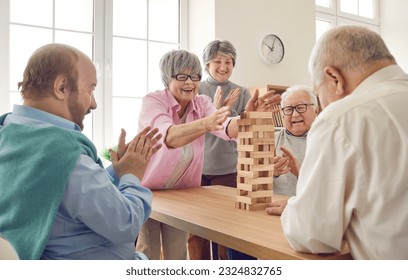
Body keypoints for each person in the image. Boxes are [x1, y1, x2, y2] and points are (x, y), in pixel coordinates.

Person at [0, 43, 162, 260]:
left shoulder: (10, 132)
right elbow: (126, 224)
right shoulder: (65, 154)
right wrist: (132, 175)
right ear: (61, 88)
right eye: (91, 89)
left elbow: (62, 194)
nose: (93, 104)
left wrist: (116, 172)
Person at [269, 25, 408, 259]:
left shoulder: (340, 119)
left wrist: (294, 207)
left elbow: (312, 234)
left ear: (335, 78)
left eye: (318, 94)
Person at [135, 49, 280, 260]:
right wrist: (206, 123)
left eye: (195, 77)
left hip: (181, 190)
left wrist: (250, 117)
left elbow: (225, 127)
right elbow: (169, 137)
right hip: (148, 189)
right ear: (168, 78)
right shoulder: (153, 101)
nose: (190, 83)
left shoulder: (201, 102)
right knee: (149, 251)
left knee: (177, 252)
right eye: (182, 76)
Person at [226, 85, 319, 260]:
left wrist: (301, 175)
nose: (295, 114)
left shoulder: (327, 140)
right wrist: (269, 172)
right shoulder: (269, 136)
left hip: (305, 216)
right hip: (269, 214)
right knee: (237, 241)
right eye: (288, 109)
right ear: (281, 114)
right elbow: (248, 181)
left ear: (316, 110)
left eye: (301, 107)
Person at [188, 40, 252, 260]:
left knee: (227, 230)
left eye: (228, 62)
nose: (223, 66)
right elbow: (192, 126)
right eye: (217, 61)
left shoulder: (242, 92)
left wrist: (227, 112)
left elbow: (247, 131)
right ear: (207, 64)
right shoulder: (196, 89)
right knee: (196, 230)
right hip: (196, 168)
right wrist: (214, 112)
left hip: (227, 169)